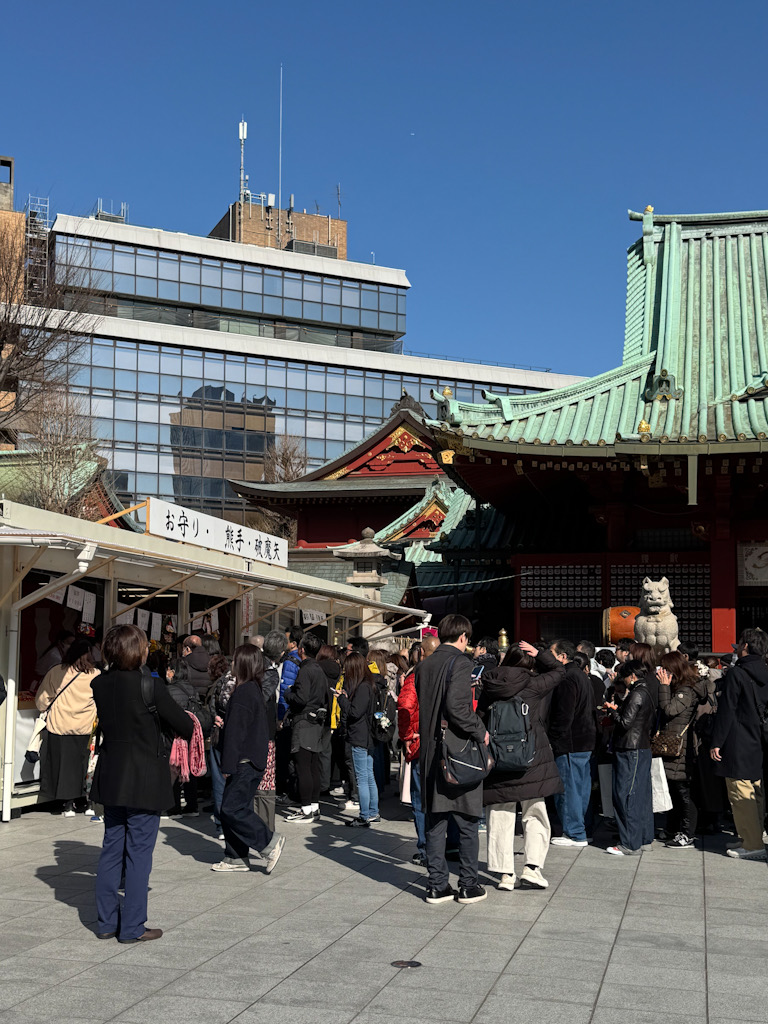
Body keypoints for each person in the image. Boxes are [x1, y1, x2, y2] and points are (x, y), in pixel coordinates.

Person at [92, 624, 194, 943]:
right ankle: (133, 926)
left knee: (111, 849)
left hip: (112, 774)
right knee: (138, 853)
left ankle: (107, 922)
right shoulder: (150, 686)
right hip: (145, 777)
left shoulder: (99, 684)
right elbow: (183, 726)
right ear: (138, 651)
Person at [478, 642, 565, 890]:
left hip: (498, 759)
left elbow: (481, 717)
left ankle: (505, 874)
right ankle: (532, 869)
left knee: (499, 814)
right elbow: (560, 671)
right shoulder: (533, 685)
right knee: (534, 812)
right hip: (531, 759)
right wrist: (542, 655)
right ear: (530, 662)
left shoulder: (490, 684)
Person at [416, 613, 489, 905]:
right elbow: (458, 707)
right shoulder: (461, 663)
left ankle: (436, 885)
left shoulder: (424, 665)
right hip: (457, 752)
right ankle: (468, 885)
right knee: (468, 821)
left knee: (436, 821)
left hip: (431, 752)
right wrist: (480, 730)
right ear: (463, 637)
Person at [212, 644, 285, 873]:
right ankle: (236, 856)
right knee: (237, 806)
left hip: (245, 760)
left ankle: (269, 842)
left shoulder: (244, 692)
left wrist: (228, 765)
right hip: (252, 759)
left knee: (231, 808)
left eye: (234, 660)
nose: (231, 664)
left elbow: (236, 733)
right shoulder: (253, 688)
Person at [711, 628, 768, 860]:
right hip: (758, 738)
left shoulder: (737, 673)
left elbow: (727, 711)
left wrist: (716, 742)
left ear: (745, 646)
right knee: (755, 790)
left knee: (739, 791)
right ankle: (752, 835)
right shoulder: (765, 670)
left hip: (738, 738)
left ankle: (752, 843)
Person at [36, 638, 99, 816]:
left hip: (60, 726)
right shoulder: (95, 675)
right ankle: (85, 802)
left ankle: (67, 804)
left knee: (62, 766)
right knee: (84, 766)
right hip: (85, 727)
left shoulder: (57, 672)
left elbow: (42, 700)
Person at [604, 659, 656, 855]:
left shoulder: (636, 693)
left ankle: (629, 842)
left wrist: (613, 710)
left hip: (630, 748)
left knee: (626, 794)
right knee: (640, 794)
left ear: (632, 676)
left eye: (625, 677)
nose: (623, 681)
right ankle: (643, 838)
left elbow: (625, 723)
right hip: (640, 747)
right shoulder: (647, 691)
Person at [548, 639, 596, 847]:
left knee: (569, 788)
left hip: (571, 740)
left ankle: (574, 832)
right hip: (584, 739)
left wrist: (555, 739)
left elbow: (564, 714)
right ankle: (581, 828)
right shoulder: (581, 675)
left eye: (552, 654)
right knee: (581, 787)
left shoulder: (567, 677)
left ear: (562, 656)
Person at [657, 650, 707, 849]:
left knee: (683, 792)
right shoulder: (680, 687)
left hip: (680, 746)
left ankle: (687, 833)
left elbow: (670, 710)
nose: (661, 672)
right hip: (673, 743)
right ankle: (673, 828)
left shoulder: (686, 690)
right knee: (674, 790)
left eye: (665, 668)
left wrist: (663, 687)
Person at [397, 633, 439, 863]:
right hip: (443, 742)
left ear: (421, 653)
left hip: (420, 742)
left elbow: (404, 704)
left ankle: (425, 848)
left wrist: (406, 736)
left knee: (420, 797)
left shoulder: (417, 675)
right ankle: (445, 845)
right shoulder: (448, 673)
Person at [285, 632, 330, 823]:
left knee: (302, 766)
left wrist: (288, 693)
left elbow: (301, 698)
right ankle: (314, 806)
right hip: (317, 722)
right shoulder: (319, 670)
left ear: (302, 649)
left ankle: (305, 810)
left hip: (304, 722)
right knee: (312, 766)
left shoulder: (305, 670)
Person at [337, 652, 379, 827]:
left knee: (362, 777)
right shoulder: (369, 685)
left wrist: (342, 700)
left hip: (360, 736)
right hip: (367, 736)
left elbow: (355, 712)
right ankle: (373, 812)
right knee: (368, 776)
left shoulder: (362, 687)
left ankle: (364, 815)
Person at [256, 629, 288, 833]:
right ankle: (264, 829)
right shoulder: (269, 673)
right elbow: (258, 701)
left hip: (256, 730)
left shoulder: (253, 665)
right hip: (263, 732)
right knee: (265, 783)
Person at [183, 633, 212, 699]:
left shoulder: (184, 662)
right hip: (206, 701)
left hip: (190, 700)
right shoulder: (211, 661)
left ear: (188, 649)